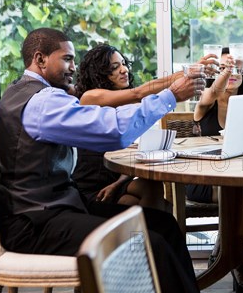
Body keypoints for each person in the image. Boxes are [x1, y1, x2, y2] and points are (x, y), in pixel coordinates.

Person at [0, 28, 208, 293]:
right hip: (36, 223)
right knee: (150, 244)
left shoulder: (24, 93)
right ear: (40, 59)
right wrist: (170, 97)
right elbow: (116, 131)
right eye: (68, 59)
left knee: (164, 226)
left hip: (50, 210)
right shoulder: (44, 103)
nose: (74, 67)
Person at [188, 47, 243, 293]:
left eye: (237, 68)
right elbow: (212, 92)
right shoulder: (207, 100)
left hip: (239, 179)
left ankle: (225, 255)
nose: (233, 72)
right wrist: (225, 71)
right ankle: (239, 261)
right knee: (241, 190)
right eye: (226, 67)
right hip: (203, 180)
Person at [72, 43, 191, 212]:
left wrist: (119, 182)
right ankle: (158, 233)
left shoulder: (124, 104)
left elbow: (124, 154)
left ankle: (154, 235)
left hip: (114, 179)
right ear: (98, 73)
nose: (124, 70)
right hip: (90, 186)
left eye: (124, 64)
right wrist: (186, 73)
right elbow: (140, 93)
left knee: (150, 187)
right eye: (115, 67)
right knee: (137, 204)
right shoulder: (90, 98)